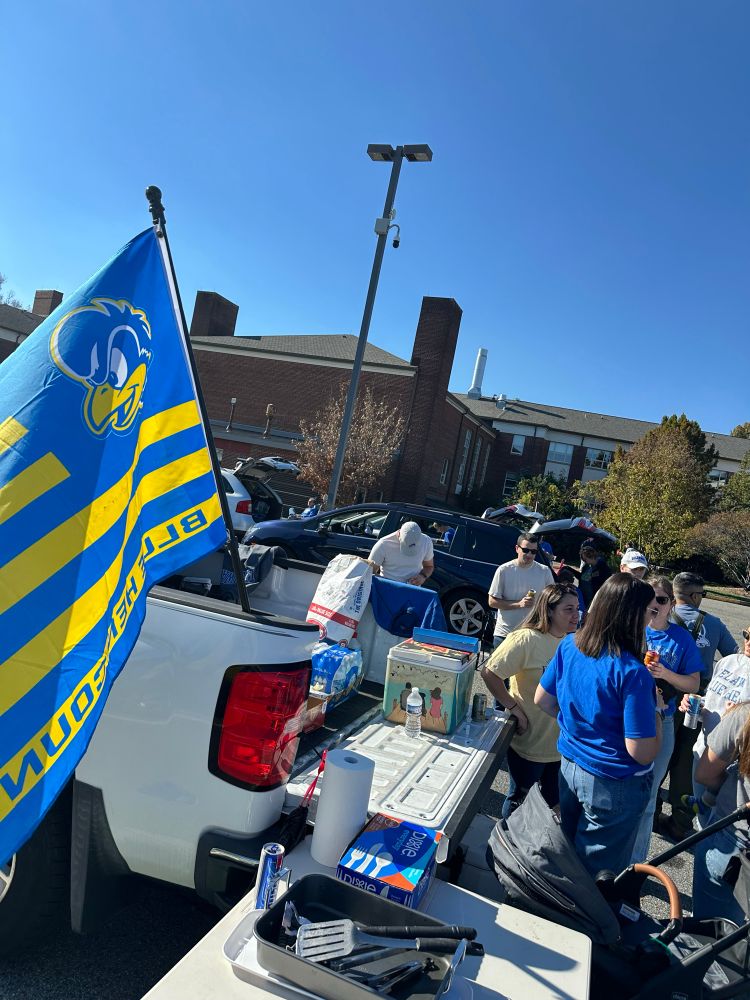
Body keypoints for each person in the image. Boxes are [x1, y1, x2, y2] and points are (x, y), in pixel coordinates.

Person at [535, 574, 663, 878]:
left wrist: (581, 728)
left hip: (569, 765)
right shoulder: (632, 673)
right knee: (597, 876)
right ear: (632, 614)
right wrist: (656, 710)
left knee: (568, 856)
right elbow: (641, 752)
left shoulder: (570, 645)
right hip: (614, 782)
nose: (651, 616)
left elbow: (543, 700)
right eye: (649, 610)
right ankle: (584, 922)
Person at [481, 584, 580, 817]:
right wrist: (513, 707)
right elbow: (489, 672)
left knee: (552, 806)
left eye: (577, 608)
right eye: (568, 609)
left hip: (562, 745)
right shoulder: (526, 639)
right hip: (530, 743)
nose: (576, 615)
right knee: (519, 803)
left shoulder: (573, 642)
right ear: (549, 610)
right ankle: (504, 850)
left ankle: (533, 852)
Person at [656, 571, 738, 840]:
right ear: (694, 596)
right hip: (699, 700)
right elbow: (733, 656)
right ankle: (681, 820)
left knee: (659, 756)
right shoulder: (713, 623)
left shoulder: (660, 619)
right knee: (686, 761)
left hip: (665, 697)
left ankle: (652, 809)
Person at [630, 575, 702, 863]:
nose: (654, 604)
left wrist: (665, 674)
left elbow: (694, 683)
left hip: (663, 721)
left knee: (648, 797)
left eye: (661, 599)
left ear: (672, 604)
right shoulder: (633, 629)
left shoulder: (681, 638)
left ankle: (635, 864)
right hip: (628, 718)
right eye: (650, 598)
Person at [691, 703, 750, 922]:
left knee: (710, 937)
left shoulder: (744, 716)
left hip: (732, 842)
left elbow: (705, 774)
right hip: (735, 849)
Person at [682, 625, 750, 814]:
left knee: (720, 829)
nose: (748, 642)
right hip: (704, 749)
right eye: (747, 635)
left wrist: (736, 717)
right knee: (703, 822)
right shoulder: (728, 662)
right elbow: (712, 698)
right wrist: (694, 703)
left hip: (731, 764)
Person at [487, 532, 555, 648]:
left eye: (534, 552)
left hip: (533, 633)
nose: (529, 554)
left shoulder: (544, 571)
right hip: (506, 634)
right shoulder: (504, 570)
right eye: (526, 550)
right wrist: (519, 604)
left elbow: (552, 599)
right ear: (517, 548)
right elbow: (492, 602)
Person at [367, 521, 434, 585]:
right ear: (399, 535)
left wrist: (422, 576)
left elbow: (429, 566)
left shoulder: (426, 541)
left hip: (413, 591)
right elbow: (368, 571)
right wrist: (387, 584)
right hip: (387, 590)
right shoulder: (383, 544)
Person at [575, 540, 612, 608]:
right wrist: (570, 570)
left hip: (595, 600)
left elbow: (606, 582)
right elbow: (582, 577)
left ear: (590, 556)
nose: (583, 561)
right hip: (584, 598)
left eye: (585, 559)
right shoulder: (586, 567)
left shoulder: (602, 566)